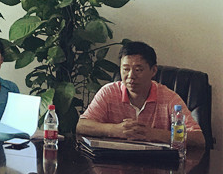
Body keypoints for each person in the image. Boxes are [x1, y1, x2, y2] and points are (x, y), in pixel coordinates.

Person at [76, 41, 204, 146]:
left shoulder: (169, 98)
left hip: (155, 164)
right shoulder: (109, 92)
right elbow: (82, 125)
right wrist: (115, 130)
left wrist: (153, 134)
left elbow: (198, 139)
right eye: (126, 69)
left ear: (153, 71)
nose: (131, 76)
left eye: (138, 70)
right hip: (115, 161)